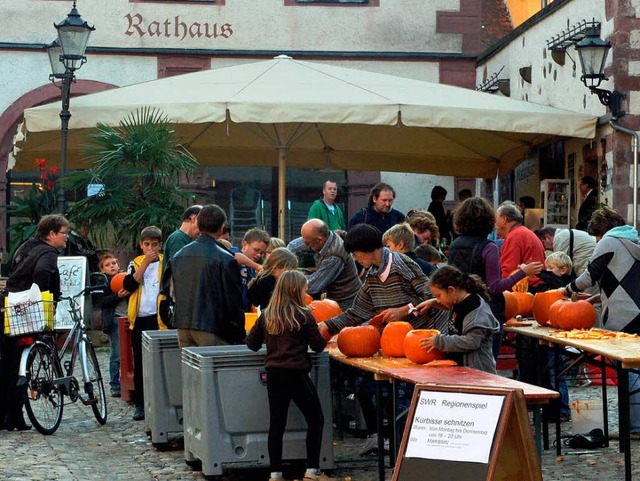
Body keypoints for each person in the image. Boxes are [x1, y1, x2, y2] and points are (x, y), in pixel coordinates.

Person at [319, 224, 449, 455]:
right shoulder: (371, 276)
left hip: (422, 338)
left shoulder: (402, 264)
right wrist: (326, 326)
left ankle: (412, 447)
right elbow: (357, 312)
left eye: (356, 254)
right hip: (395, 343)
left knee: (407, 396)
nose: (355, 259)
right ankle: (385, 439)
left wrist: (405, 309)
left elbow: (432, 297)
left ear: (368, 249)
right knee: (370, 386)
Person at [559, 207, 640, 436]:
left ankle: (634, 426)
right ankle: (633, 423)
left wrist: (566, 290)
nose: (596, 240)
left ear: (602, 229)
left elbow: (589, 276)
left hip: (622, 315)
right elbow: (624, 278)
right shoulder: (632, 239)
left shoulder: (609, 241)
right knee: (637, 367)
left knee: (628, 371)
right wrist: (599, 297)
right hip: (637, 310)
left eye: (596, 235)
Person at [246, 270, 332, 481]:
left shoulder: (268, 315)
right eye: (304, 289)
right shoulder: (304, 315)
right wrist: (328, 329)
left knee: (277, 423)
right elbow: (318, 346)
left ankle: (275, 473)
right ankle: (312, 470)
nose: (306, 293)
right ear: (296, 290)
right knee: (316, 418)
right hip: (296, 373)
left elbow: (252, 344)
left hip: (274, 374)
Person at [448, 197, 542, 358]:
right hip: (486, 312)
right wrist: (523, 273)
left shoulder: (454, 245)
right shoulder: (489, 247)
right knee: (485, 362)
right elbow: (494, 287)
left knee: (461, 363)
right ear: (488, 220)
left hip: (461, 310)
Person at [0, 214, 70, 431]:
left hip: (9, 306)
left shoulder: (26, 245)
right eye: (63, 233)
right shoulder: (49, 252)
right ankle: (14, 417)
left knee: (7, 363)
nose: (66, 238)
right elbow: (41, 273)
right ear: (51, 234)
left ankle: (4, 416)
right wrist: (40, 298)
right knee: (22, 366)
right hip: (28, 312)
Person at [163, 204, 246, 348]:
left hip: (183, 325)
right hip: (213, 327)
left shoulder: (178, 256)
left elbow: (169, 291)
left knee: (188, 369)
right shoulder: (226, 259)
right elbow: (233, 303)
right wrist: (240, 335)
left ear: (199, 224)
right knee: (213, 369)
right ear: (221, 228)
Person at [416, 266, 500, 374]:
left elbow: (471, 342)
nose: (438, 300)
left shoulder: (475, 311)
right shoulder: (459, 301)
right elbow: (451, 305)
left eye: (438, 296)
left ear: (451, 290)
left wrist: (440, 341)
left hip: (477, 374)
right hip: (461, 371)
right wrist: (433, 303)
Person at [123, 226, 167, 421]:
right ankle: (140, 403)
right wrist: (145, 263)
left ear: (160, 245)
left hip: (158, 317)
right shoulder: (135, 263)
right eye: (147, 244)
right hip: (140, 318)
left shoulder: (165, 263)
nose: (150, 248)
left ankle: (161, 400)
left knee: (160, 362)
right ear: (141, 245)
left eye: (154, 245)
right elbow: (129, 285)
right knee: (140, 362)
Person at [288, 219, 361, 311]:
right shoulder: (323, 236)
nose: (305, 244)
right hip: (331, 299)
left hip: (344, 303)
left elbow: (313, 285)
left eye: (307, 243)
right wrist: (285, 262)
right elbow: (292, 247)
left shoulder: (334, 256)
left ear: (319, 240)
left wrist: (290, 279)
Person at [96, 253, 129, 398]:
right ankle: (115, 384)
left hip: (129, 317)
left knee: (130, 353)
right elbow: (102, 302)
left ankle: (128, 381)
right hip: (115, 320)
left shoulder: (125, 278)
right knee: (116, 354)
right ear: (103, 270)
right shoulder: (103, 283)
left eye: (114, 263)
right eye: (108, 265)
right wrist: (118, 296)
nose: (112, 266)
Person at [495, 201, 546, 288]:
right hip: (537, 286)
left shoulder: (514, 237)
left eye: (496, 219)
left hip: (527, 288)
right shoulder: (524, 232)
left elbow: (508, 273)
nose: (494, 224)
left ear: (504, 220)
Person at [230, 228, 270, 311]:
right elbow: (234, 256)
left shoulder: (251, 268)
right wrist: (257, 266)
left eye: (262, 253)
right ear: (244, 244)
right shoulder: (235, 251)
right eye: (256, 250)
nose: (258, 255)